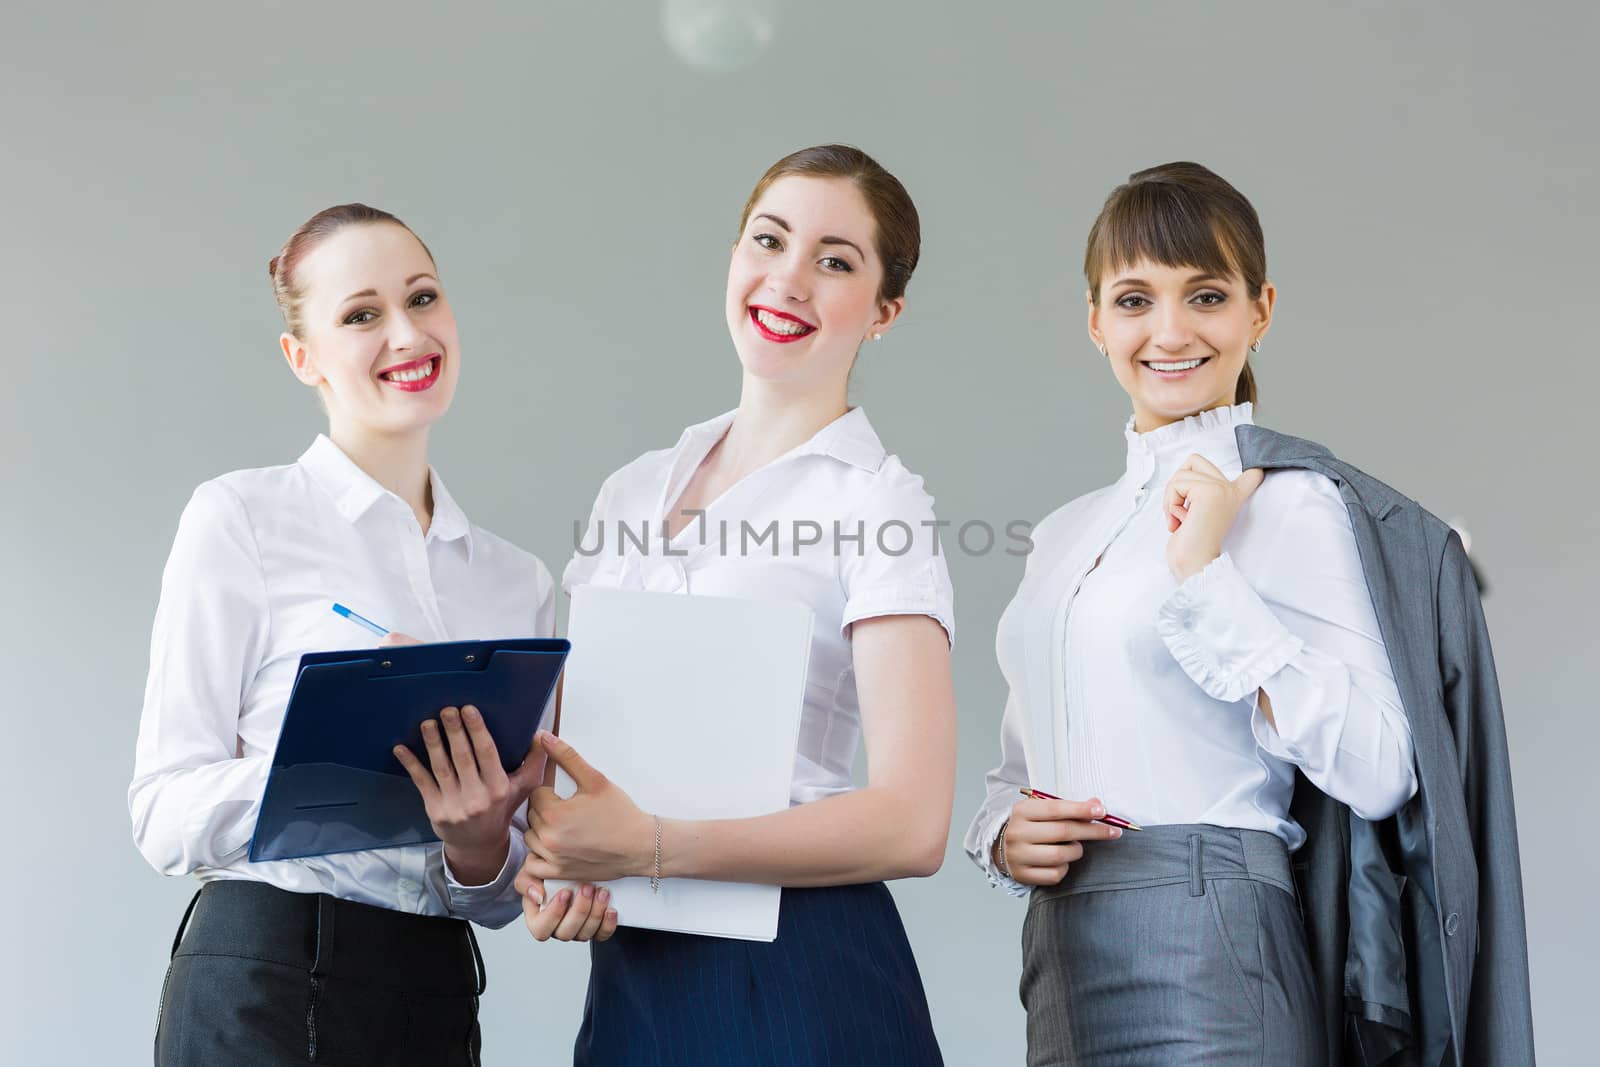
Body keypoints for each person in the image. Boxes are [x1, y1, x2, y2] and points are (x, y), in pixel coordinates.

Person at [128, 204, 611, 1066]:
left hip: (433, 991)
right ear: (301, 356)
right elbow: (163, 811)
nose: (406, 332)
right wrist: (346, 767)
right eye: (361, 314)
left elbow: (493, 896)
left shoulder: (519, 583)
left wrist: (472, 845)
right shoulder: (241, 517)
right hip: (264, 972)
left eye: (422, 298)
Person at [965, 162, 1419, 1064]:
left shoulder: (1290, 503)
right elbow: (1021, 766)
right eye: (1135, 299)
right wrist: (1000, 832)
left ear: (1261, 309)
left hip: (1214, 935)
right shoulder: (1060, 536)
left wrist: (1205, 572)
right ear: (1095, 321)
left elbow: (1381, 769)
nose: (1169, 332)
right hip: (1061, 949)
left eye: (1205, 294)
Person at [514, 145, 957, 1066]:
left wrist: (650, 845)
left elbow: (913, 824)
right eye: (770, 239)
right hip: (636, 974)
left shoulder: (877, 501)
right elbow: (572, 752)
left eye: (835, 261)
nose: (789, 279)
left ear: (885, 312)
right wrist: (556, 865)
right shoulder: (631, 491)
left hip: (804, 965)